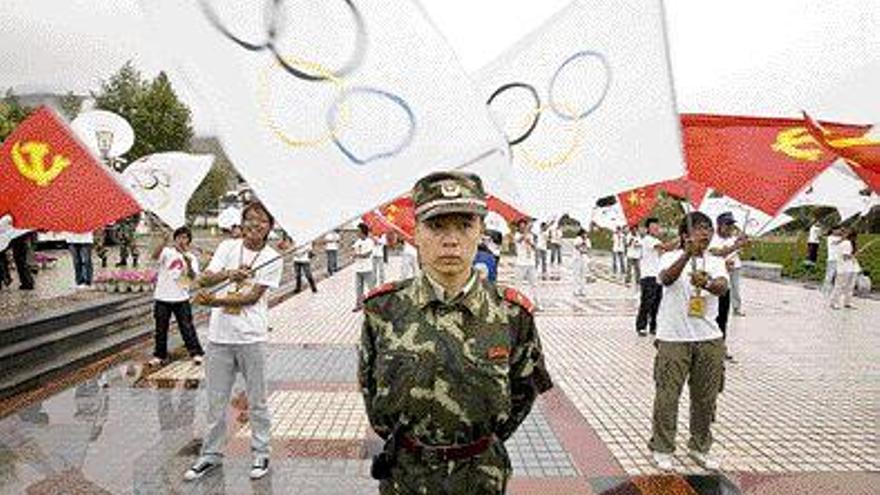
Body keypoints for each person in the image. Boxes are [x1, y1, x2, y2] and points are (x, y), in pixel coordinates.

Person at [358, 171, 552, 494]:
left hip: (480, 477)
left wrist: (473, 444)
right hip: (405, 475)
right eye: (436, 226)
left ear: (480, 231)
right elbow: (371, 393)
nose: (451, 240)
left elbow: (521, 395)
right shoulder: (383, 310)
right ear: (416, 232)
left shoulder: (512, 314)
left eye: (464, 225)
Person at [185, 201, 283, 481]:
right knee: (216, 401)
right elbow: (205, 278)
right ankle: (210, 455)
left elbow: (252, 297)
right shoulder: (228, 248)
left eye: (261, 221)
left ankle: (261, 452)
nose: (255, 224)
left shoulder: (272, 257)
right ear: (242, 222)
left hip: (251, 337)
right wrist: (229, 274)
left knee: (257, 400)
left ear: (269, 227)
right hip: (219, 338)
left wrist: (213, 301)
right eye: (250, 219)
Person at [649, 212, 728, 472]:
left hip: (709, 338)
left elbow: (721, 287)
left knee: (706, 397)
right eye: (699, 228)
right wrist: (686, 256)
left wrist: (705, 282)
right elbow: (666, 279)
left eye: (708, 228)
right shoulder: (670, 256)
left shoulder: (715, 261)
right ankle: (662, 447)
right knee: (667, 395)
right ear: (685, 235)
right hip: (674, 338)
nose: (705, 233)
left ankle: (699, 446)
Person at [149, 226, 204, 367]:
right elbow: (154, 256)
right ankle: (159, 355)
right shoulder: (167, 252)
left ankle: (196, 353)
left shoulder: (192, 257)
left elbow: (193, 277)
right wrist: (163, 241)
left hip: (181, 297)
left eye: (185, 237)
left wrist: (189, 264)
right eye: (179, 237)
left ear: (189, 240)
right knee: (161, 328)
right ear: (175, 239)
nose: (182, 240)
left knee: (187, 327)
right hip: (162, 297)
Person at [709, 213, 749, 360]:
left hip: (724, 284)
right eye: (728, 225)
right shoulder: (712, 239)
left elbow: (733, 253)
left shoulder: (732, 239)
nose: (731, 228)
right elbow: (718, 253)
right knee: (710, 317)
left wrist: (741, 243)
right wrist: (736, 246)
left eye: (732, 225)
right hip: (710, 285)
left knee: (723, 318)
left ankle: (721, 347)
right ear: (719, 225)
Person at [636, 218, 670, 336]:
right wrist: (680, 240)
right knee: (647, 302)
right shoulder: (648, 240)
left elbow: (663, 253)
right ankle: (641, 326)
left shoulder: (656, 240)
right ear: (648, 229)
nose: (656, 229)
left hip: (657, 276)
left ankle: (654, 327)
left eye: (657, 227)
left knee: (657, 303)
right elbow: (665, 247)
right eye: (653, 227)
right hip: (648, 275)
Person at [830, 228, 860, 310]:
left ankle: (848, 302)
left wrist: (854, 254)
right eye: (856, 237)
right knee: (840, 285)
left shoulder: (850, 243)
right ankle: (834, 302)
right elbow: (845, 256)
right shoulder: (846, 243)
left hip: (852, 268)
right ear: (853, 236)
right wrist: (855, 255)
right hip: (844, 268)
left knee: (850, 286)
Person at [513, 218, 539, 308]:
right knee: (517, 285)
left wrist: (530, 243)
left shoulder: (531, 236)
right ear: (519, 228)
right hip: (520, 264)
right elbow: (519, 240)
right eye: (521, 227)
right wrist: (525, 234)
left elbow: (534, 248)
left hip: (531, 263)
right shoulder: (516, 235)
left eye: (524, 226)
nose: (523, 228)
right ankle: (515, 302)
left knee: (534, 284)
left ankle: (537, 303)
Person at [353, 223, 376, 310]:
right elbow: (353, 251)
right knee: (358, 289)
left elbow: (367, 254)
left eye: (358, 231)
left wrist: (357, 255)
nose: (357, 233)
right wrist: (355, 254)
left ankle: (374, 305)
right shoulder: (357, 242)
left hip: (367, 269)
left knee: (371, 288)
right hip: (358, 269)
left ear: (363, 231)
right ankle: (359, 305)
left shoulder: (369, 242)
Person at [822, 226, 843, 296]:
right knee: (829, 276)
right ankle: (825, 290)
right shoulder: (830, 238)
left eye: (840, 230)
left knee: (838, 276)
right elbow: (837, 242)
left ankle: (834, 291)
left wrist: (845, 234)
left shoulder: (840, 238)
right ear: (833, 230)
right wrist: (844, 237)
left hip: (839, 259)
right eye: (838, 230)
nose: (839, 231)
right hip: (832, 259)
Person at [572, 228, 592, 296]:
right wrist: (582, 244)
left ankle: (583, 290)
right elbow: (576, 246)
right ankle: (576, 290)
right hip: (577, 258)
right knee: (577, 274)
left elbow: (588, 248)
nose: (586, 235)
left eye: (586, 233)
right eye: (584, 233)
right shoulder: (577, 239)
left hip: (584, 258)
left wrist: (585, 249)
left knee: (583, 275)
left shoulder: (588, 240)